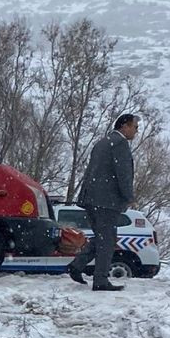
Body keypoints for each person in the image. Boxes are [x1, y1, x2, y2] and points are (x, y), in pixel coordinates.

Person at [69, 113, 137, 291]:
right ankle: (100, 280)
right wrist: (129, 196)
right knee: (107, 240)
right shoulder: (120, 144)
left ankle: (77, 265)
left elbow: (92, 170)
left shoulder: (102, 142)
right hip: (107, 201)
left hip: (91, 198)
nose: (136, 131)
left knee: (101, 237)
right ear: (124, 126)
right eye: (134, 127)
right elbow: (123, 174)